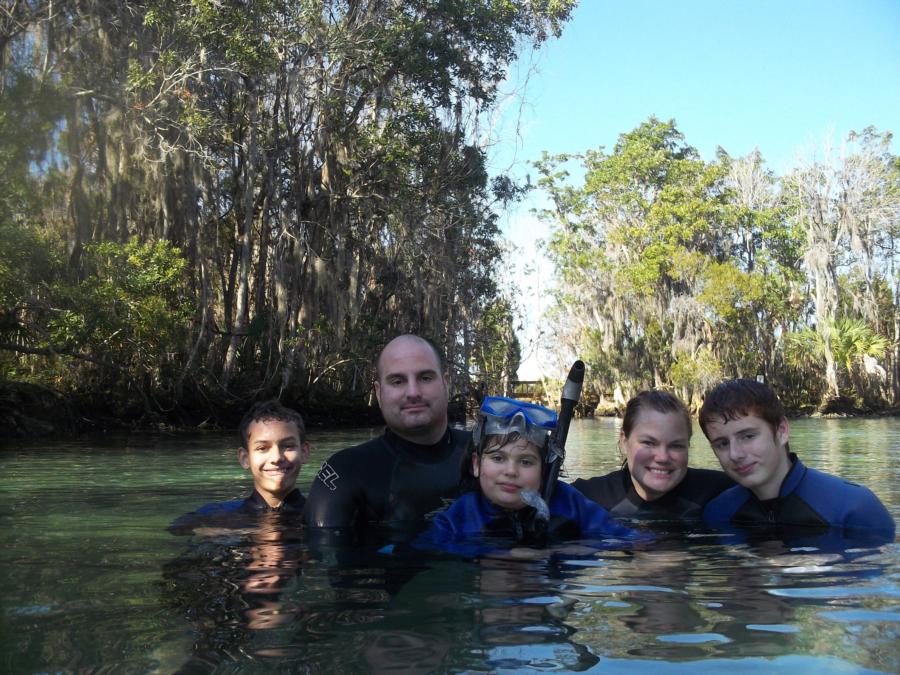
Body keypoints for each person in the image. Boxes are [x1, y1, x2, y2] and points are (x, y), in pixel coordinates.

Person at [414, 396, 639, 553]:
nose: (511, 471)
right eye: (498, 458)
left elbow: (625, 538)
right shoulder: (462, 515)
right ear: (476, 464)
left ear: (545, 469)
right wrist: (501, 554)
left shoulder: (569, 503)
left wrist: (558, 550)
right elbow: (420, 550)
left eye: (526, 462)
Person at [303, 334, 470, 544]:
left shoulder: (487, 454)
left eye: (425, 378)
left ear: (446, 383)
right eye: (397, 381)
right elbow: (324, 563)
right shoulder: (344, 473)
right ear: (379, 392)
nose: (413, 392)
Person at [699, 379, 895, 541]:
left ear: (782, 431)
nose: (735, 454)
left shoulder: (854, 508)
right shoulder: (717, 513)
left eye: (748, 436)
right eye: (722, 444)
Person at [572, 390, 733, 521]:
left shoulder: (723, 491)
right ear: (624, 441)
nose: (662, 457)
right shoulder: (585, 497)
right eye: (649, 443)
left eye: (676, 446)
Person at [170, 400, 310, 534]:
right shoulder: (217, 513)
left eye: (288, 446)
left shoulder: (323, 514)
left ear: (304, 453)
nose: (276, 458)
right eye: (262, 448)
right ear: (245, 458)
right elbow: (178, 529)